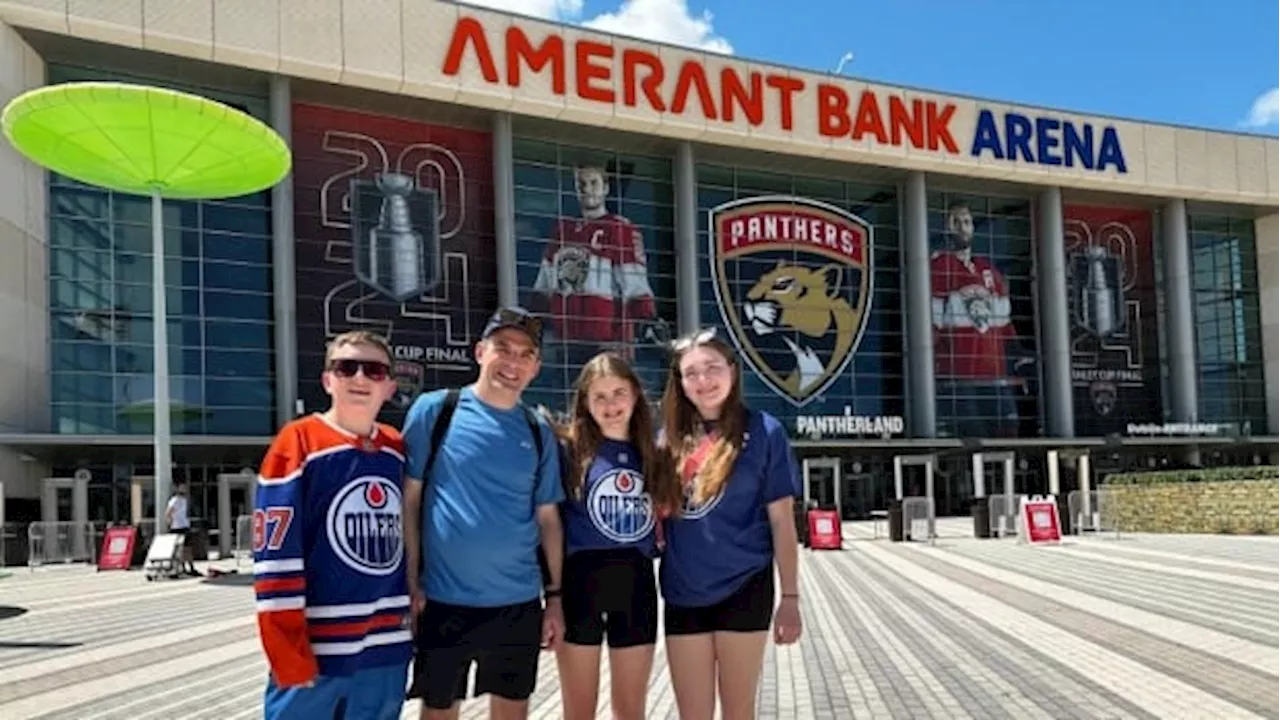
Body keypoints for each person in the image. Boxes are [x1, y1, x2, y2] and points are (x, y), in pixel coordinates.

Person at [402, 306, 566, 720]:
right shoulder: (435, 411)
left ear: (536, 367)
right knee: (438, 711)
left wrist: (556, 599)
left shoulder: (537, 429)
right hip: (442, 601)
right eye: (503, 348)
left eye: (525, 354)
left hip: (517, 604)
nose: (512, 362)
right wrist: (409, 583)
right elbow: (409, 503)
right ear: (479, 352)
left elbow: (548, 520)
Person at [253, 330, 412, 720]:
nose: (359, 378)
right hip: (319, 648)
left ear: (389, 386)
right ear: (328, 380)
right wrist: (287, 652)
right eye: (346, 368)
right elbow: (275, 560)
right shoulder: (297, 443)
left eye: (373, 370)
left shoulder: (396, 448)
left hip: (386, 645)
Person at [657, 328, 803, 720]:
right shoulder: (666, 441)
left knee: (739, 712)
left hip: (744, 587)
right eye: (691, 373)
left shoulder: (765, 431)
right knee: (693, 714)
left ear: (733, 372)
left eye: (712, 368)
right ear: (680, 382)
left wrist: (790, 599)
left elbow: (782, 523)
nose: (703, 381)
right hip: (683, 591)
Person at [549, 353, 681, 720]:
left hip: (636, 583)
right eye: (599, 397)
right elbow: (551, 524)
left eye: (618, 393)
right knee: (578, 711)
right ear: (585, 402)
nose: (610, 406)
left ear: (636, 395)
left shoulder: (653, 453)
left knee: (631, 710)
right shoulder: (568, 450)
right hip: (580, 584)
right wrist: (552, 596)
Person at [529, 164, 662, 365]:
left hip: (608, 344)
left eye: (593, 183)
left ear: (606, 188)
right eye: (581, 183)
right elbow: (545, 285)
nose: (587, 189)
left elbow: (635, 285)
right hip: (566, 343)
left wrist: (646, 321)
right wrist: (534, 324)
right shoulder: (562, 231)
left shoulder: (620, 228)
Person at [930, 201, 1035, 438]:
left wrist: (1019, 355)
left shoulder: (989, 271)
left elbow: (1004, 323)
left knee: (1009, 432)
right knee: (972, 439)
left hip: (994, 376)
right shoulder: (939, 266)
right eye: (955, 222)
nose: (962, 227)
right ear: (946, 228)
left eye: (966, 222)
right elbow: (931, 323)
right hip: (959, 378)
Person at [164, 481, 199, 577]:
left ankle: (191, 567)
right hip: (177, 527)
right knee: (180, 549)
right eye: (182, 487)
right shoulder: (174, 500)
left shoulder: (184, 500)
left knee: (188, 548)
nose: (185, 489)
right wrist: (170, 523)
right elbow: (168, 512)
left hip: (184, 526)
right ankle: (182, 567)